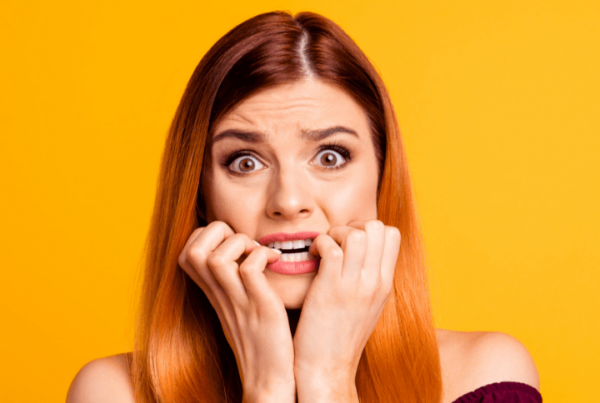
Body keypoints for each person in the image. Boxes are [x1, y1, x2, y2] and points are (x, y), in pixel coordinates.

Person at [67, 11, 541, 403]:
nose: (289, 202)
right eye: (245, 161)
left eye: (330, 157)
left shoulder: (484, 375)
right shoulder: (114, 392)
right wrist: (268, 390)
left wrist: (328, 381)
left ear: (382, 179)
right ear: (199, 197)